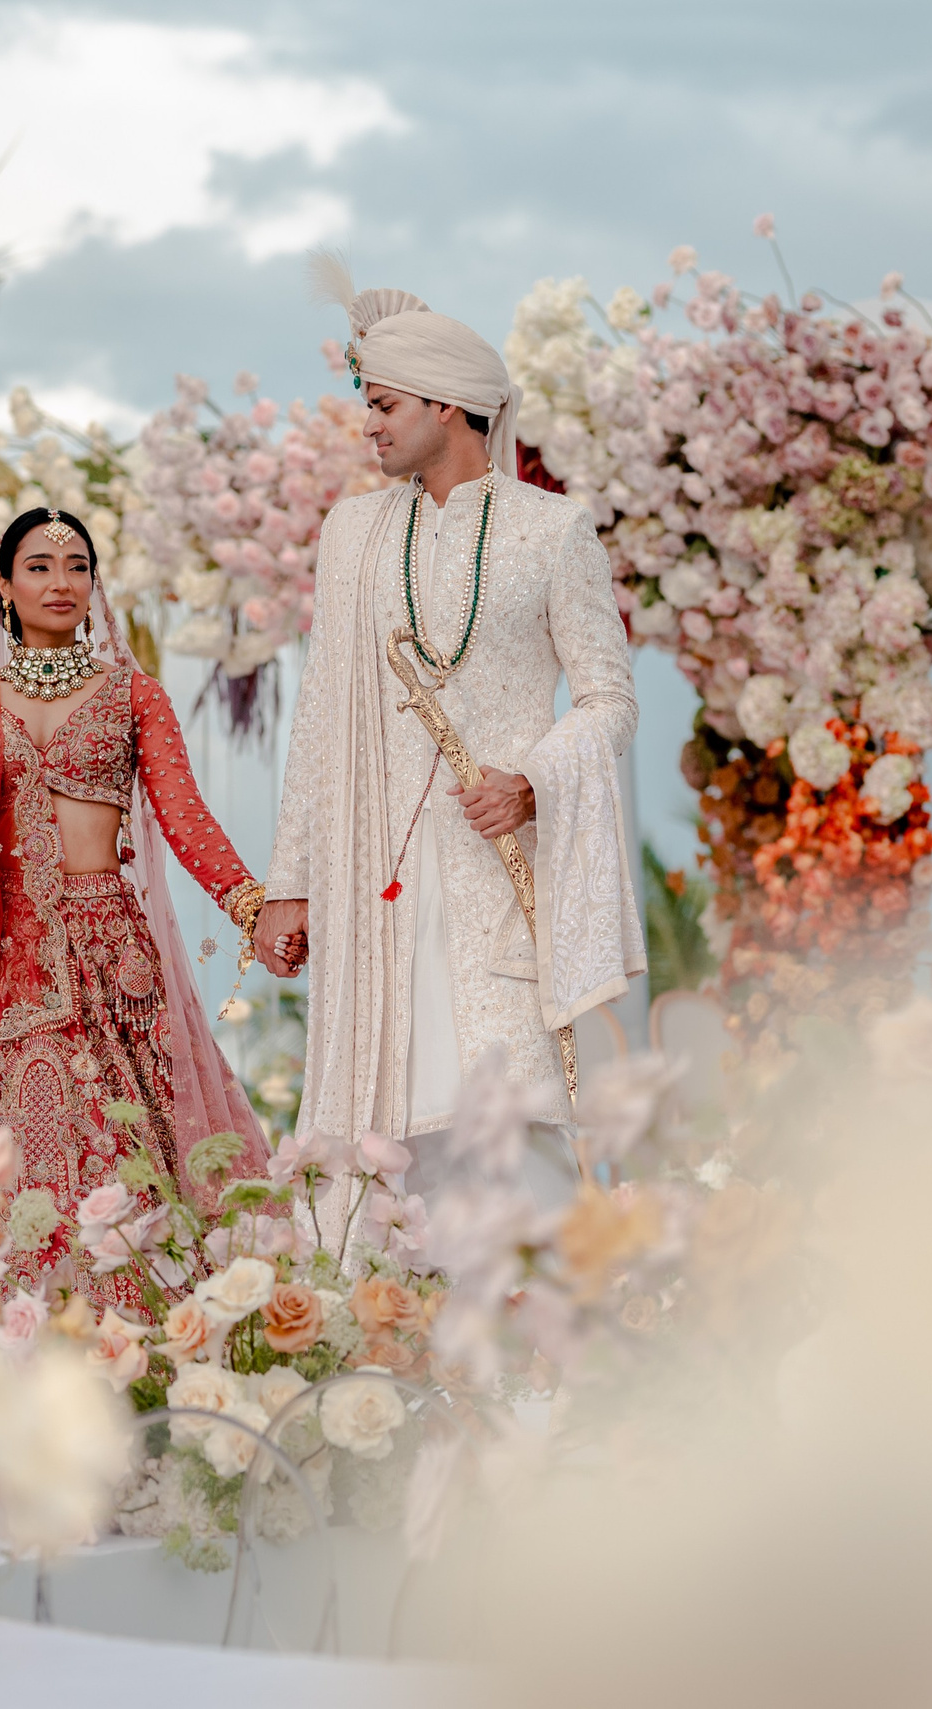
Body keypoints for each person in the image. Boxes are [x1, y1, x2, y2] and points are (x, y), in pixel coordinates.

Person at [256, 264, 644, 1171]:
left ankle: (517, 1300)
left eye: (387, 404)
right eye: (370, 404)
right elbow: (318, 717)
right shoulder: (350, 533)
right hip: (369, 873)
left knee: (507, 1118)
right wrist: (290, 880)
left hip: (489, 867)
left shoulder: (552, 530)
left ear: (451, 406)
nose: (371, 424)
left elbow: (609, 700)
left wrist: (534, 782)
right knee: (375, 1129)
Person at [0, 508, 273, 1307]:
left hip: (106, 964)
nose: (62, 582)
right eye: (40, 566)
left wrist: (253, 906)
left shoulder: (133, 694)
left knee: (124, 1170)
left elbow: (185, 818)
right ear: (3, 585)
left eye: (78, 566)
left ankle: (144, 1362)